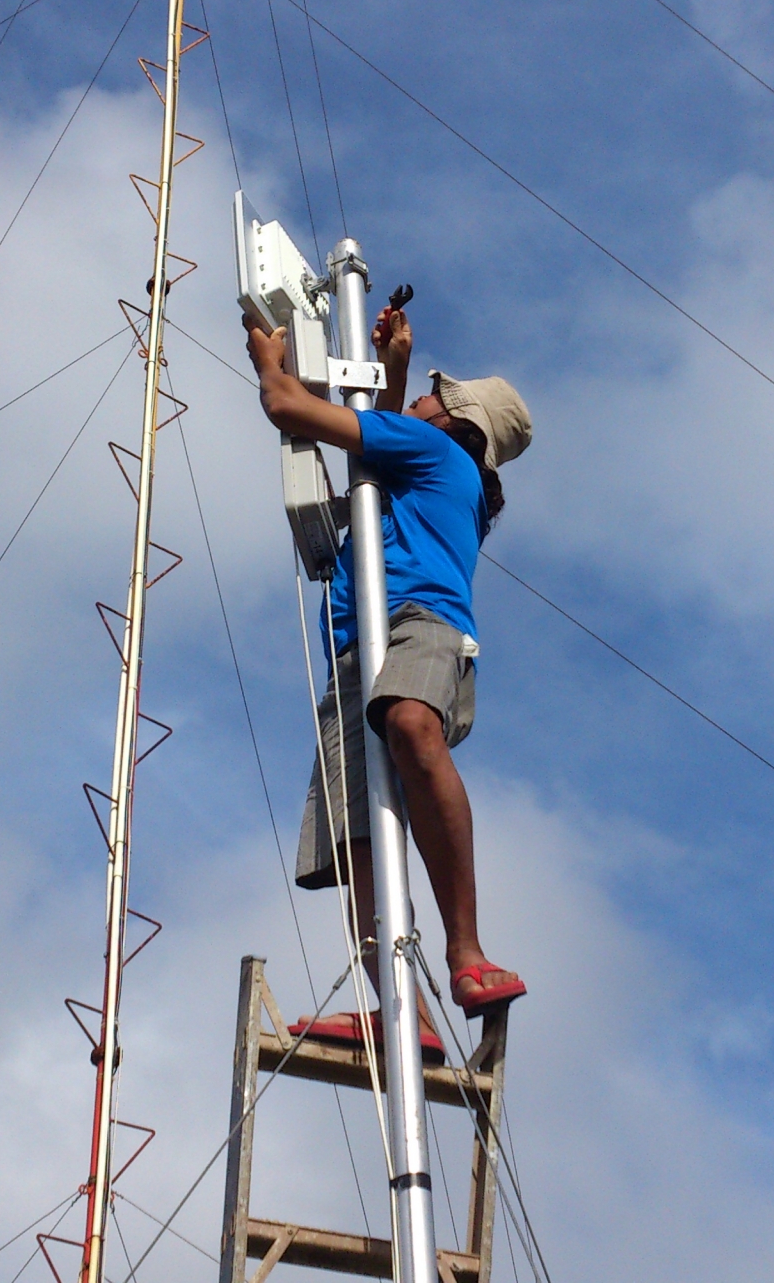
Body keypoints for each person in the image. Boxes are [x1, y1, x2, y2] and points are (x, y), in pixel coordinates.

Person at [243, 296, 532, 1054]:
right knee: (360, 840)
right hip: (356, 653)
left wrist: (269, 359)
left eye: (439, 393)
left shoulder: (435, 454)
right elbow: (373, 458)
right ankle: (404, 1016)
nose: (426, 398)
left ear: (457, 423)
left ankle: (465, 952)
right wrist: (396, 368)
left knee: (410, 720)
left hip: (417, 628)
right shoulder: (428, 460)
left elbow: (287, 408)